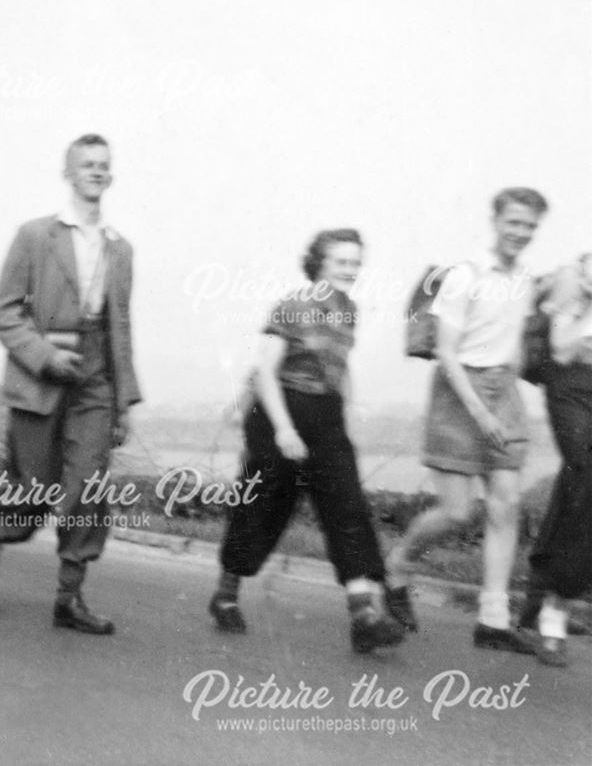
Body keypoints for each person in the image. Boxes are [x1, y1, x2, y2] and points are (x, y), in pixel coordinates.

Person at [0, 134, 141, 635]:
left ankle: (69, 598)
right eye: (87, 164)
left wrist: (122, 402)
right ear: (68, 173)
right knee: (31, 495)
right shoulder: (36, 236)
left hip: (96, 383)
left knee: (88, 487)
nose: (97, 172)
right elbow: (6, 312)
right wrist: (44, 356)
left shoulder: (120, 249)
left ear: (112, 174)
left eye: (104, 164)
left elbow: (120, 328)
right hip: (42, 379)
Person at [208, 229, 406, 654]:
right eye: (341, 262)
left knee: (347, 508)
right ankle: (225, 594)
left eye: (356, 263)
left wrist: (347, 411)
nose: (350, 270)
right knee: (262, 508)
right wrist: (284, 430)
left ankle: (364, 616)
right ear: (319, 263)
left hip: (326, 416)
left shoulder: (348, 310)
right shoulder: (295, 305)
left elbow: (340, 364)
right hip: (279, 410)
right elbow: (265, 371)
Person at [385, 187, 549, 654]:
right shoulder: (465, 276)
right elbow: (446, 353)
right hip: (459, 396)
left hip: (503, 392)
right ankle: (399, 562)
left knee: (504, 506)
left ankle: (493, 621)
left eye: (530, 226)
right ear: (496, 220)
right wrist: (480, 410)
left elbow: (515, 343)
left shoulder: (525, 280)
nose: (521, 232)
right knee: (459, 512)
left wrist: (510, 394)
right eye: (514, 222)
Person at [516, 253, 592, 666]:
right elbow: (561, 351)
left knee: (575, 489)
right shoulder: (572, 277)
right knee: (586, 479)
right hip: (572, 385)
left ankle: (534, 604)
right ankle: (554, 612)